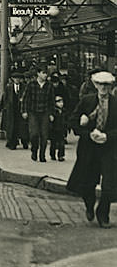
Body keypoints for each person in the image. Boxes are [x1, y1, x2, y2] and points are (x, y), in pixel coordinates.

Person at [66, 69, 117, 228]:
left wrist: (108, 136)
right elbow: (72, 122)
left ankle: (103, 214)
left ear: (111, 86)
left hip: (109, 149)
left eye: (107, 85)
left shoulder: (116, 103)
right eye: (100, 84)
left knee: (109, 185)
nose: (103, 88)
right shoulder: (86, 101)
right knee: (87, 183)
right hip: (89, 148)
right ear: (95, 85)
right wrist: (88, 132)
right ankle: (89, 205)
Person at [22, 67, 55, 163]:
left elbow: (51, 101)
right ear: (38, 74)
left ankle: (42, 155)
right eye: (44, 73)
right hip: (33, 112)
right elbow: (25, 99)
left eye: (46, 73)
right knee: (34, 134)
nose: (46, 75)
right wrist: (24, 111)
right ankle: (34, 150)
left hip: (45, 112)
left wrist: (52, 113)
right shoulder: (31, 84)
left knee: (44, 135)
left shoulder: (49, 86)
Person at [2, 71, 28, 151]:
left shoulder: (24, 87)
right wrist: (5, 108)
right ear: (12, 79)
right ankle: (12, 143)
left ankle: (24, 142)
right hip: (12, 110)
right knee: (12, 127)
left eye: (18, 78)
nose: (17, 80)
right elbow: (5, 98)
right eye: (15, 78)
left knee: (22, 127)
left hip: (21, 110)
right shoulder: (9, 87)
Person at [49, 94, 67, 162]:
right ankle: (52, 154)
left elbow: (66, 120)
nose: (61, 104)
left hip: (61, 129)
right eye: (59, 102)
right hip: (54, 129)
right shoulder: (53, 111)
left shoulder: (64, 111)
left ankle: (61, 155)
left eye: (62, 102)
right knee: (53, 143)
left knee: (61, 143)